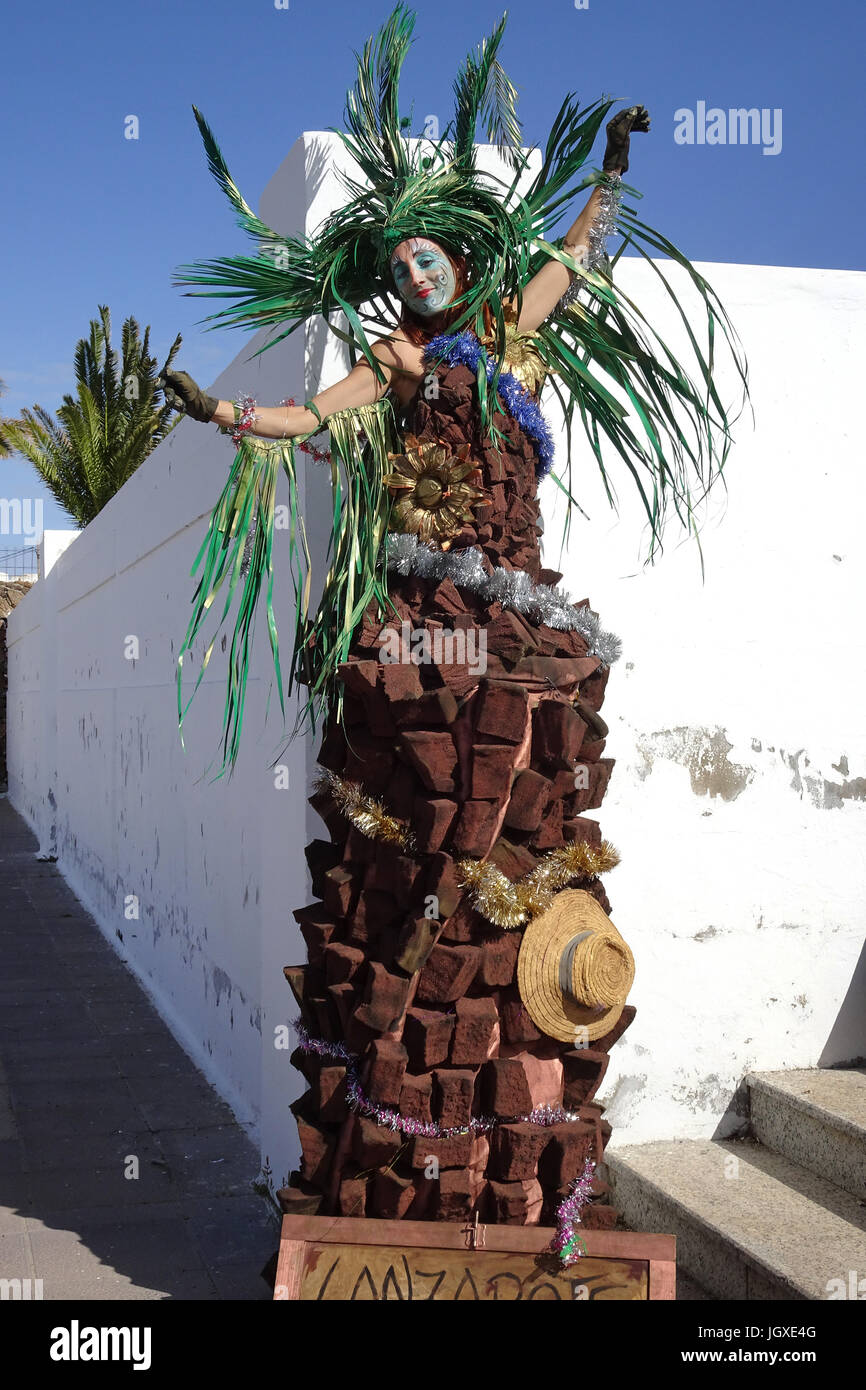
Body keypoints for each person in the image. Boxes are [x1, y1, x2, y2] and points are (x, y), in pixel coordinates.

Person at [159, 7, 746, 1240]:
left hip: (516, 604)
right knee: (411, 774)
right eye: (406, 264)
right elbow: (309, 419)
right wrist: (219, 413)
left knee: (516, 760)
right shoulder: (394, 361)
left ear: (465, 265)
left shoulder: (507, 342)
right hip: (423, 599)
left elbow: (576, 263)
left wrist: (608, 181)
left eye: (433, 261)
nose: (418, 274)